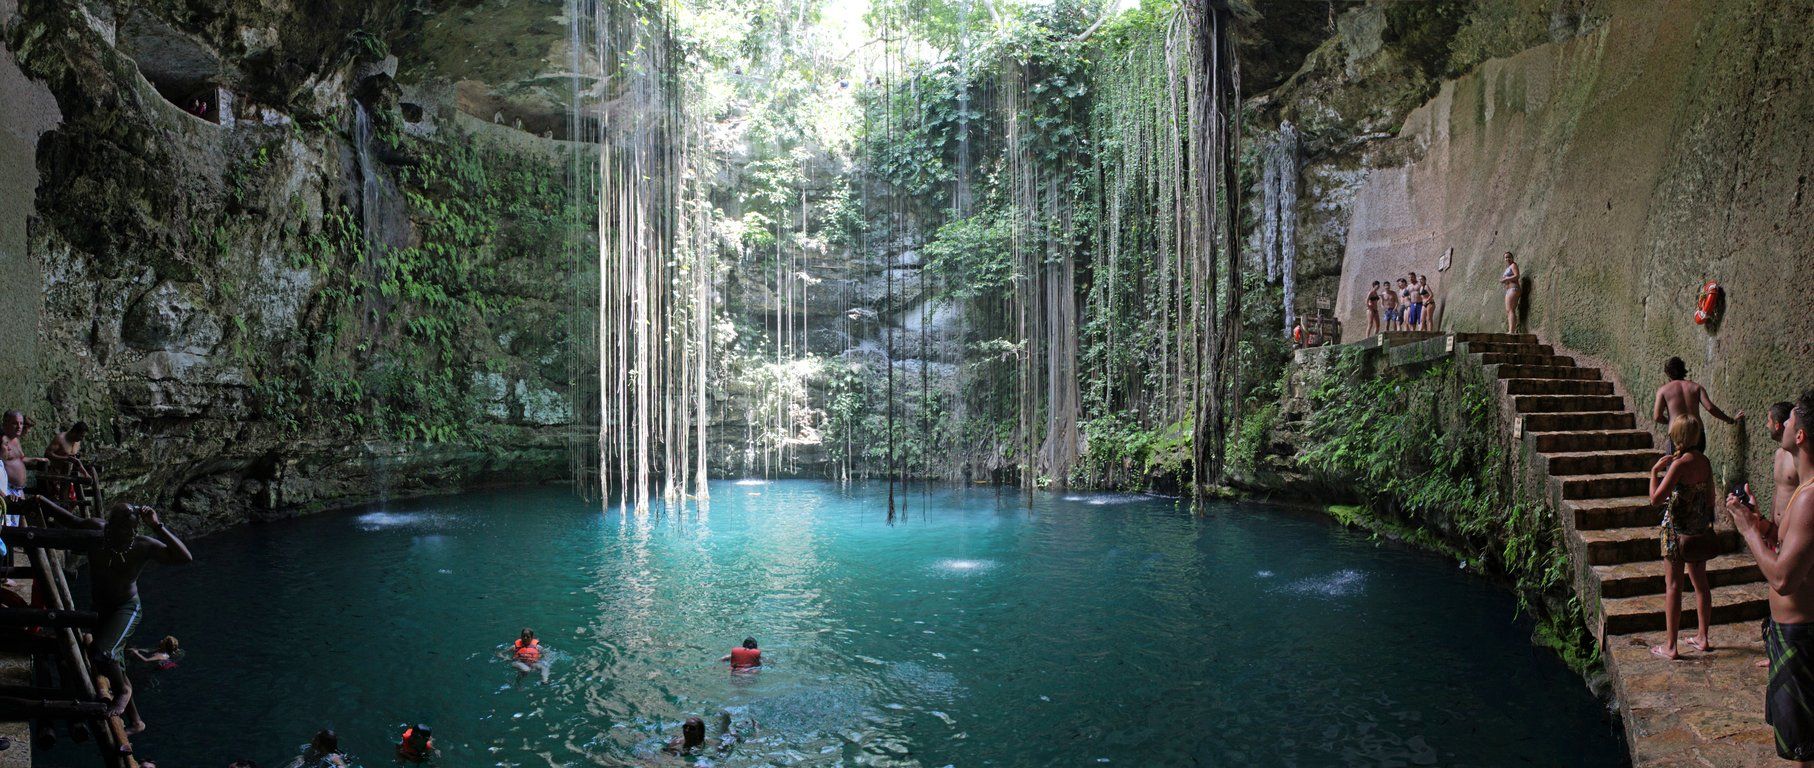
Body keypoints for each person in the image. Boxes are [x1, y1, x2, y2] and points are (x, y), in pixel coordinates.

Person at [38, 500, 194, 733]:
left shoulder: (143, 545)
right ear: (110, 524)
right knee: (112, 663)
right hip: (101, 607)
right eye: (119, 528)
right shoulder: (97, 531)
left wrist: (157, 525)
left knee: (105, 652)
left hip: (126, 608)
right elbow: (70, 520)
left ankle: (123, 691)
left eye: (129, 529)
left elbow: (185, 557)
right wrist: (40, 501)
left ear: (135, 529)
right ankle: (137, 721)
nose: (124, 534)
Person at [1729, 390, 1814, 765]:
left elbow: (1783, 580)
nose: (1782, 420)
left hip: (1801, 636)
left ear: (1800, 436)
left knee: (1803, 752)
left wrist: (1748, 533)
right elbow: (1789, 551)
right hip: (1789, 632)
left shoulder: (1811, 498)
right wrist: (1761, 524)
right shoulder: (1804, 492)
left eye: (1791, 416)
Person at [1649, 415, 1717, 660]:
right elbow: (1710, 500)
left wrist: (1654, 472)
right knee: (1701, 584)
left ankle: (1671, 646)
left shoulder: (1679, 465)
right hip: (1697, 531)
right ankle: (1703, 637)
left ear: (1677, 437)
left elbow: (1656, 498)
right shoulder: (1705, 462)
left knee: (1673, 586)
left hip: (1676, 533)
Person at [1651, 356, 1742, 452]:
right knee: (1696, 464)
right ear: (1683, 369)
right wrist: (1730, 420)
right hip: (1696, 433)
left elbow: (1657, 417)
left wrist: (1671, 422)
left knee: (1676, 465)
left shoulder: (1663, 390)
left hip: (1676, 433)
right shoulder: (1696, 387)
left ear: (1668, 373)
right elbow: (1710, 408)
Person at [43, 421, 95, 506]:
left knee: (72, 500)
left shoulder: (77, 442)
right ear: (74, 432)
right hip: (55, 473)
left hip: (69, 474)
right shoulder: (60, 438)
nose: (82, 438)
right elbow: (48, 453)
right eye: (81, 435)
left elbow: (75, 461)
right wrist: (65, 458)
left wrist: (85, 473)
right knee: (55, 501)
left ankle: (66, 517)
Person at [0, 411, 46, 500]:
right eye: (15, 423)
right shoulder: (2, 440)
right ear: (5, 423)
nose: (19, 427)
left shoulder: (15, 439)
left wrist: (35, 459)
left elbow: (19, 459)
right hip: (7, 490)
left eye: (21, 423)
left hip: (19, 490)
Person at [1499, 252, 1521, 333]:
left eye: (1509, 257)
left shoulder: (1513, 265)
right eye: (1505, 258)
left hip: (1513, 289)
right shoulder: (1508, 268)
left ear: (1512, 258)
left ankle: (1511, 331)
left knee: (1511, 309)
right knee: (1508, 310)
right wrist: (1503, 280)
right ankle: (1510, 330)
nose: (1507, 259)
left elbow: (1517, 276)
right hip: (1509, 290)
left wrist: (1506, 279)